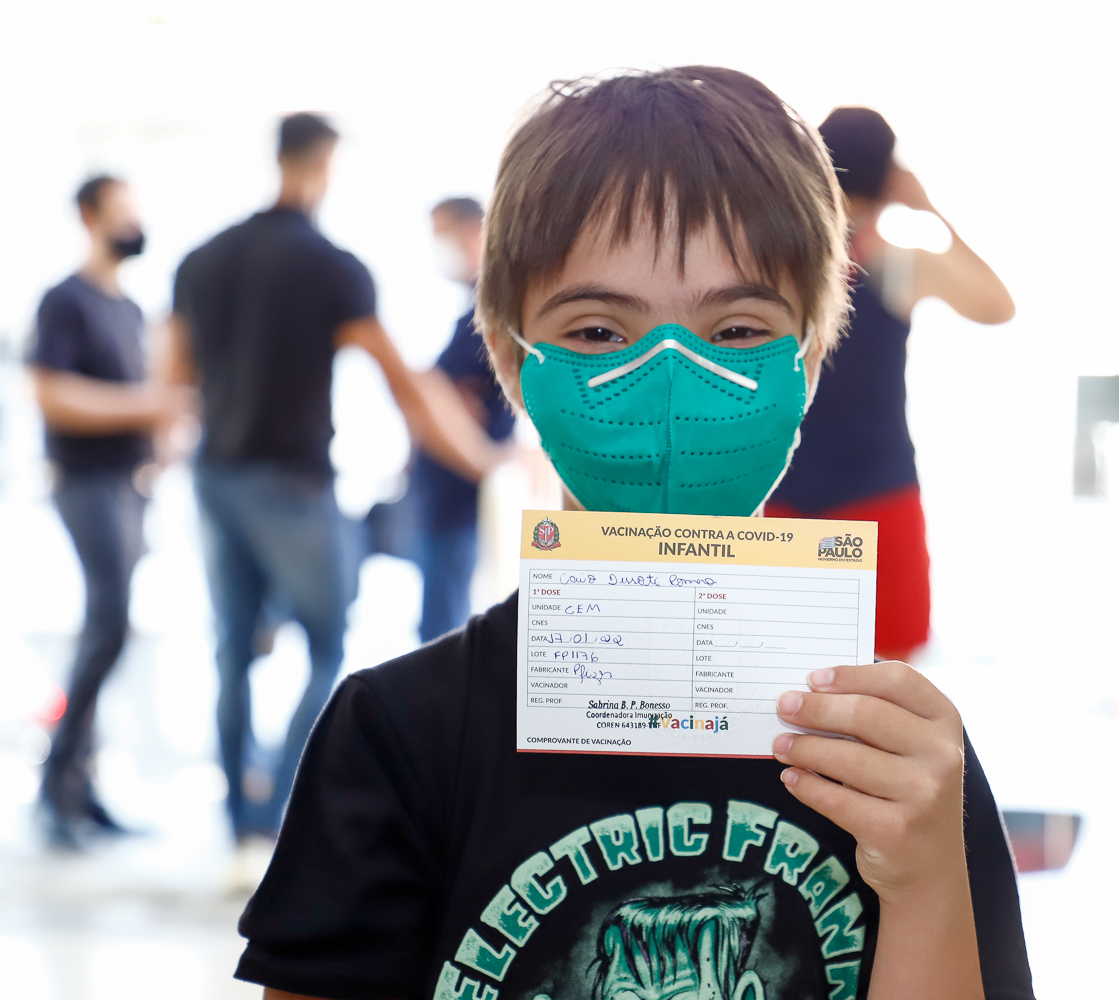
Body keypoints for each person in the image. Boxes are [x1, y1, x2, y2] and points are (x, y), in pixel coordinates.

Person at [234, 69, 1033, 1000]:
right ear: (512, 359)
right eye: (599, 331)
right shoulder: (397, 735)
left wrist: (927, 877)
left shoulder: (900, 762)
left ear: (810, 360)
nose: (671, 376)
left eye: (737, 328)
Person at [167, 113, 503, 850]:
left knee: (233, 651)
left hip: (215, 479)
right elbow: (403, 386)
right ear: (324, 166)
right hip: (293, 485)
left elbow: (173, 378)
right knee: (326, 646)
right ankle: (279, 813)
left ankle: (239, 820)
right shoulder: (330, 266)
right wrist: (483, 459)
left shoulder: (202, 261)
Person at [766, 107, 1015, 662]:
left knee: (770, 660)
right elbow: (998, 306)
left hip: (779, 485)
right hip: (878, 488)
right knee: (889, 668)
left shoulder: (776, 262)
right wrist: (929, 210)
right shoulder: (899, 265)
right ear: (889, 178)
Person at [28, 176, 188, 850]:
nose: (133, 223)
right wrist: (147, 408)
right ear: (89, 217)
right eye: (121, 212)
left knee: (109, 630)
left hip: (129, 486)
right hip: (86, 483)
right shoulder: (65, 300)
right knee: (108, 626)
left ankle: (79, 785)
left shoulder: (128, 309)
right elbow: (51, 394)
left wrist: (162, 436)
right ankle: (56, 786)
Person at [410, 196, 516, 641]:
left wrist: (483, 456)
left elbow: (439, 401)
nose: (439, 248)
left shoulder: (493, 317)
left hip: (460, 498)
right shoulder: (468, 318)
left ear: (475, 234)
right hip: (441, 495)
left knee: (444, 628)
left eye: (444, 236)